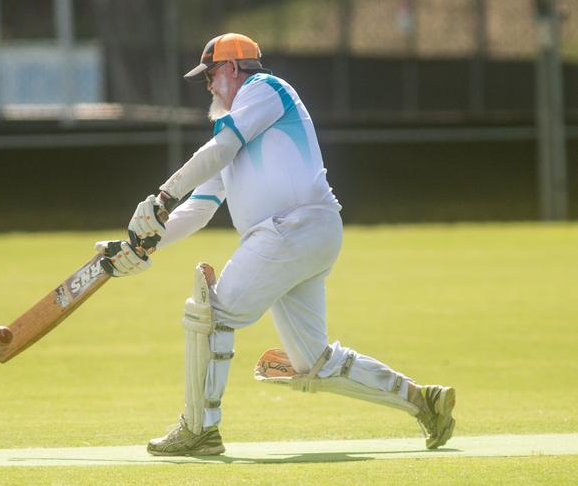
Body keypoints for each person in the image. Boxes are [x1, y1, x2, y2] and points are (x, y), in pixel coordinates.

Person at [95, 33, 456, 456]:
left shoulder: (266, 89)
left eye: (211, 75)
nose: (208, 87)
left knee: (211, 314)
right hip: (302, 236)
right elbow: (201, 208)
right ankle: (424, 402)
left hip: (292, 227)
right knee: (314, 362)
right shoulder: (228, 132)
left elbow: (217, 152)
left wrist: (162, 196)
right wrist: (142, 244)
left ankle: (199, 429)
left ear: (232, 68)